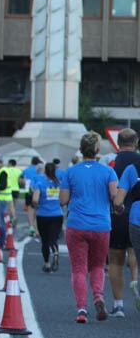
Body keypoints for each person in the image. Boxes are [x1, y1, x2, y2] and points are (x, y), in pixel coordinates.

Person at [60, 131, 118, 323]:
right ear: (98, 150)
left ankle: (82, 310)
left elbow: (63, 199)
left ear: (81, 149)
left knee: (78, 269)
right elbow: (114, 197)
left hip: (77, 224)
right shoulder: (108, 171)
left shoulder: (70, 172)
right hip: (101, 225)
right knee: (97, 266)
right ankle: (99, 296)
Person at [108, 129, 140, 317]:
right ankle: (135, 282)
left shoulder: (110, 161)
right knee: (135, 257)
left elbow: (115, 196)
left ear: (118, 142)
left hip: (120, 216)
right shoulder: (136, 162)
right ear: (136, 142)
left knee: (116, 260)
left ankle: (118, 304)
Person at [32, 162, 64, 274]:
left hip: (43, 215)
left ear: (45, 171)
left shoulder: (40, 183)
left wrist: (37, 206)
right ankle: (55, 251)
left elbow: (35, 200)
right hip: (57, 214)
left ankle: (46, 264)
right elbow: (63, 199)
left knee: (44, 240)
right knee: (53, 238)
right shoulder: (59, 183)